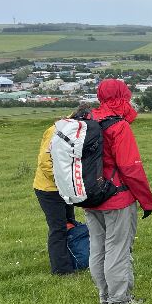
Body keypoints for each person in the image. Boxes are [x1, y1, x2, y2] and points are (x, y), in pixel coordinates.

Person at [85, 79, 152, 304]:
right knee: (118, 248)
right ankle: (119, 300)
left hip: (90, 195)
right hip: (117, 197)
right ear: (123, 96)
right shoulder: (118, 125)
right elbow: (131, 168)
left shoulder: (87, 120)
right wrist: (147, 201)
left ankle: (104, 297)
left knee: (98, 247)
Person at [32, 107, 90, 275]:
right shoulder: (55, 131)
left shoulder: (76, 130)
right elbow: (45, 163)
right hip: (48, 189)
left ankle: (73, 257)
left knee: (69, 222)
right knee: (58, 228)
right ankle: (61, 270)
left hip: (65, 187)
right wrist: (65, 179)